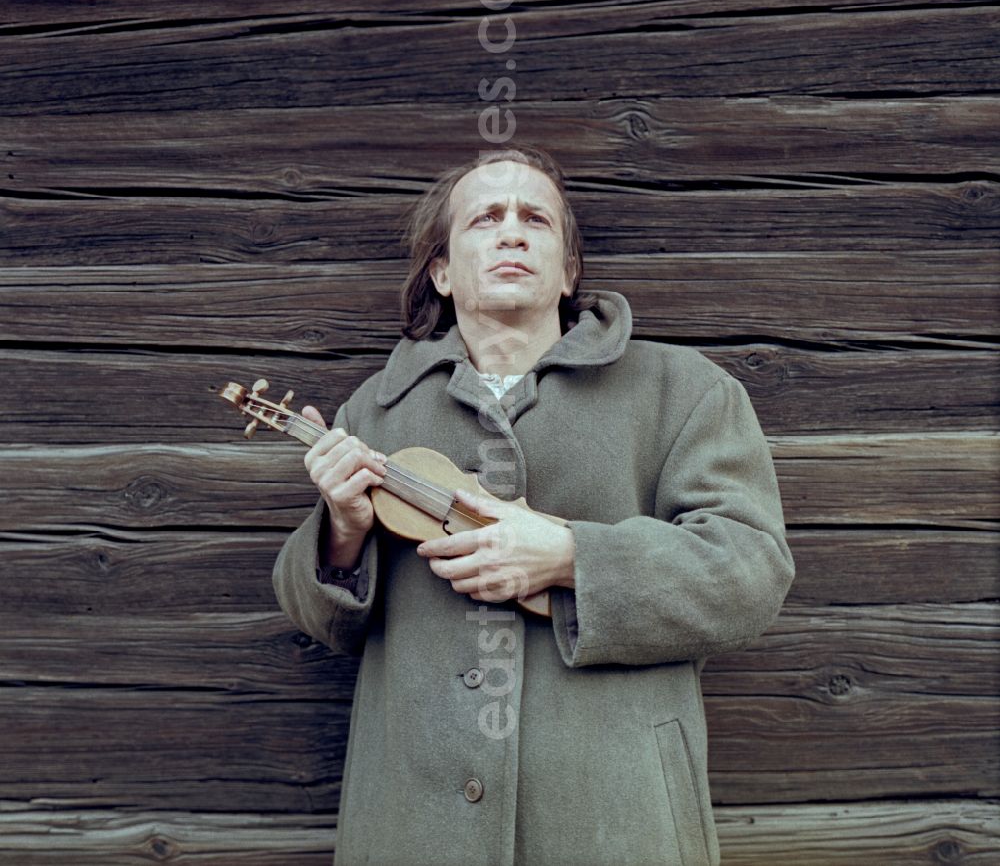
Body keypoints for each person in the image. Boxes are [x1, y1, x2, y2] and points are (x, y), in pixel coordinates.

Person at [272, 144, 795, 866]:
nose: (512, 231)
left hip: (617, 812)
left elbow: (751, 570)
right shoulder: (375, 411)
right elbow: (322, 619)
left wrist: (572, 556)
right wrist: (344, 529)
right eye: (486, 217)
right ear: (443, 270)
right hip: (415, 823)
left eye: (535, 219)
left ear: (569, 269)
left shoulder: (682, 391)